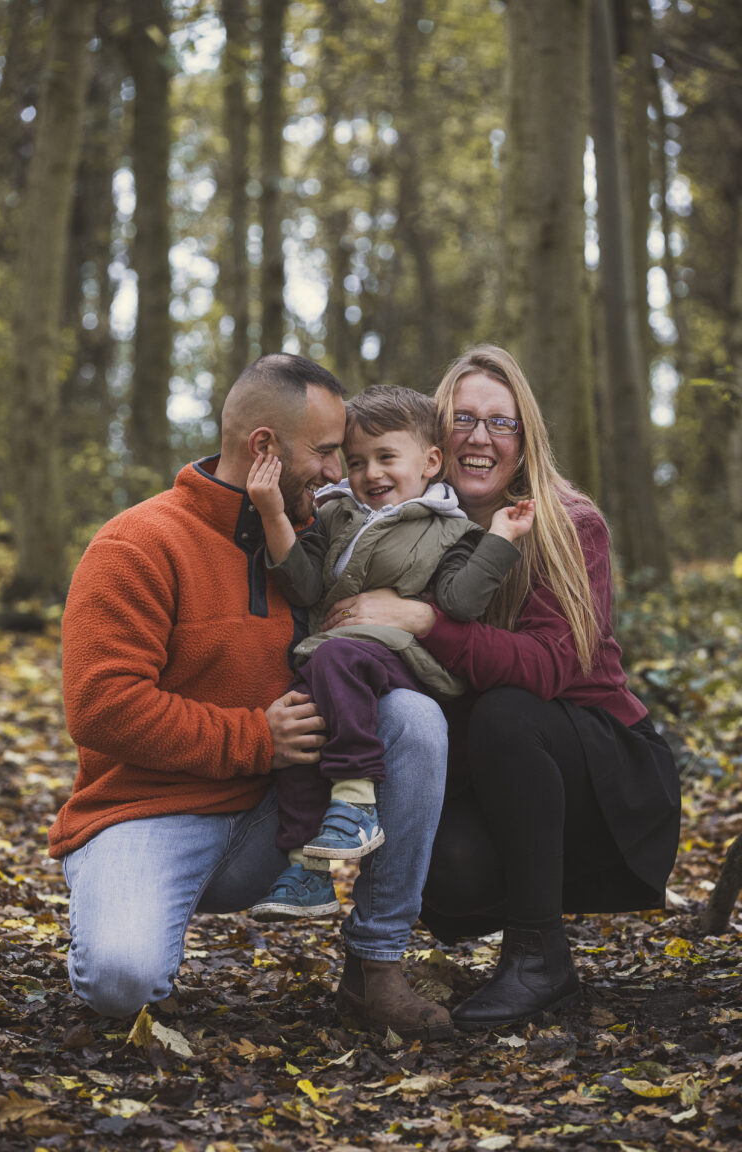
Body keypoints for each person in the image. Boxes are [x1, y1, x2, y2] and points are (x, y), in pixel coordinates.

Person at [49, 353, 454, 1041]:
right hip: (150, 811)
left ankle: (374, 970)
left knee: (412, 718)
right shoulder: (138, 544)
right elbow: (100, 706)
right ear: (263, 447)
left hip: (277, 815)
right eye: (326, 452)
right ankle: (123, 903)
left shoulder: (319, 545)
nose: (338, 472)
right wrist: (255, 738)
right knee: (121, 981)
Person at [320, 345, 681, 1030]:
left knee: (507, 711)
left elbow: (549, 669)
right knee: (427, 794)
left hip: (601, 776)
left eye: (501, 422)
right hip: (496, 775)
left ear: (525, 437)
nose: (480, 437)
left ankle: (540, 955)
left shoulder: (568, 523)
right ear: (432, 442)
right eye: (462, 418)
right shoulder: (407, 526)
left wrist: (422, 618)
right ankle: (372, 959)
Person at [243, 385, 534, 922]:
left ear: (429, 462)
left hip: (404, 663)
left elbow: (460, 603)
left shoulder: (453, 530)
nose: (370, 473)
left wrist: (501, 540)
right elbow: (304, 587)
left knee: (335, 659)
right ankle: (307, 865)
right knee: (304, 724)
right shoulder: (335, 518)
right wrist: (273, 516)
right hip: (333, 662)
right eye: (356, 462)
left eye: (385, 458)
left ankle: (355, 799)